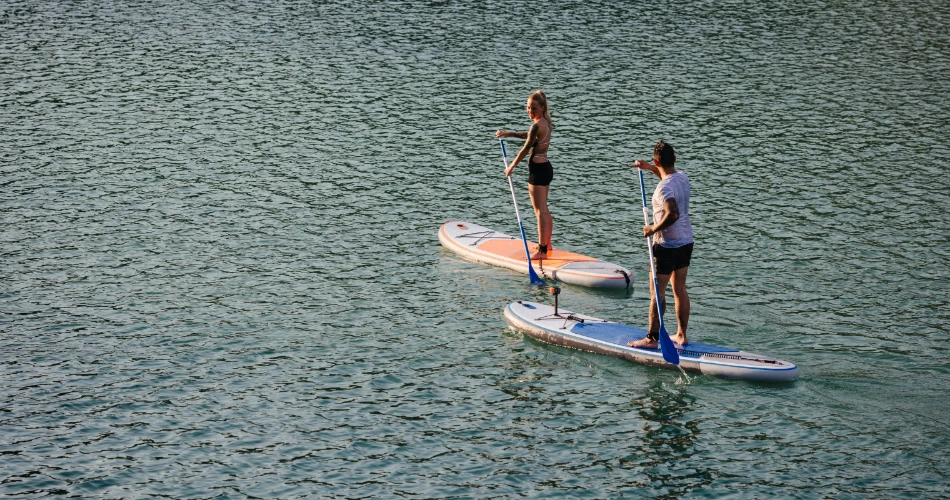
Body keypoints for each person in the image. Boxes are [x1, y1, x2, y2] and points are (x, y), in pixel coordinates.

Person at [628, 140, 694, 348]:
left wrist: (652, 229)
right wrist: (649, 168)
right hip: (686, 242)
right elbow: (667, 178)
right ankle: (681, 335)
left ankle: (652, 339)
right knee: (680, 289)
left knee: (658, 291)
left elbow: (672, 213)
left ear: (657, 160)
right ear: (674, 159)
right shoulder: (681, 178)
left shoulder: (662, 190)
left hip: (666, 245)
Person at [495, 90, 554, 259]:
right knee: (544, 209)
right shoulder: (546, 123)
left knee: (539, 211)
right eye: (528, 108)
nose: (530, 111)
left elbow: (527, 147)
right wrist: (508, 133)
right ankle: (547, 245)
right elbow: (529, 137)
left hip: (538, 172)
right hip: (546, 169)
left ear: (542, 108)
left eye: (533, 108)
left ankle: (542, 252)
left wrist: (511, 166)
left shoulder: (537, 125)